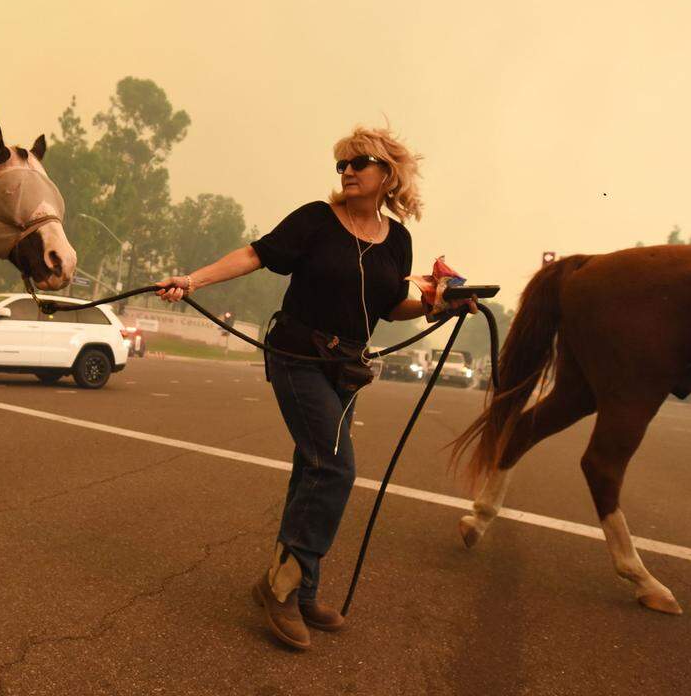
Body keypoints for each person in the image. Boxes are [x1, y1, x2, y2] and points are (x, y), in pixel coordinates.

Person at [155, 126, 473, 650]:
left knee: (313, 467)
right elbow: (255, 254)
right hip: (297, 356)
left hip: (346, 367)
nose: (346, 172)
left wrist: (441, 304)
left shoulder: (397, 239)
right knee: (334, 465)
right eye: (342, 165)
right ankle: (280, 590)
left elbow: (392, 306)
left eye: (358, 163)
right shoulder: (316, 220)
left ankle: (301, 591)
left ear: (386, 173)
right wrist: (191, 280)